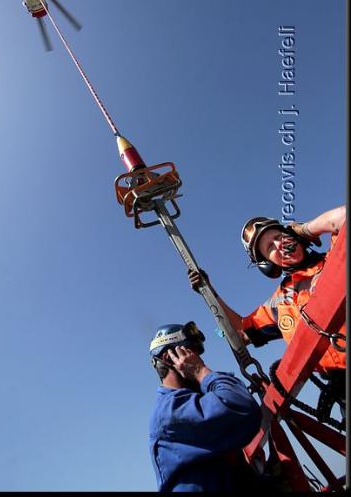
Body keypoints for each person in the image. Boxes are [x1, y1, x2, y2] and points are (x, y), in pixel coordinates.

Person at [188, 206, 346, 411]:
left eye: (279, 237)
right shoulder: (280, 303)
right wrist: (209, 291)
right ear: (268, 264)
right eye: (270, 247)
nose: (279, 245)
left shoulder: (336, 258)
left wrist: (306, 229)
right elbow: (241, 331)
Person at [148, 321, 263, 492]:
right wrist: (199, 371)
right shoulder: (171, 411)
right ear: (169, 358)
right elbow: (241, 407)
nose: (198, 360)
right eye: (191, 353)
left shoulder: (194, 405)